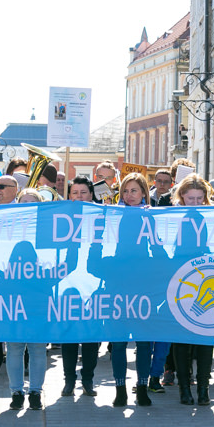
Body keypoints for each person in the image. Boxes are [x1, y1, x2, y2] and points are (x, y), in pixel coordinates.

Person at [104, 173, 155, 406]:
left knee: (144, 339)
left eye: (134, 191)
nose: (129, 195)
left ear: (144, 192)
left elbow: (159, 246)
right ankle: (120, 389)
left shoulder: (151, 217)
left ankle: (142, 387)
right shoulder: (114, 216)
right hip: (118, 281)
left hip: (143, 281)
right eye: (125, 191)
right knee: (119, 339)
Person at [172, 175, 214, 405]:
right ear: (182, 197)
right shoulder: (172, 217)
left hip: (207, 281)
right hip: (180, 284)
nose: (196, 203)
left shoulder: (211, 217)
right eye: (191, 198)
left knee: (206, 338)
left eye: (200, 198)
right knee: (182, 340)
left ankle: (203, 387)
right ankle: (184, 387)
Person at [60, 176, 100, 397]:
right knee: (69, 336)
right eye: (74, 192)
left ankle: (88, 379)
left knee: (91, 336)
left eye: (83, 192)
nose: (79, 196)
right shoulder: (60, 217)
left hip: (92, 284)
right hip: (68, 284)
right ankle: (68, 380)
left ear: (91, 195)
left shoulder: (101, 217)